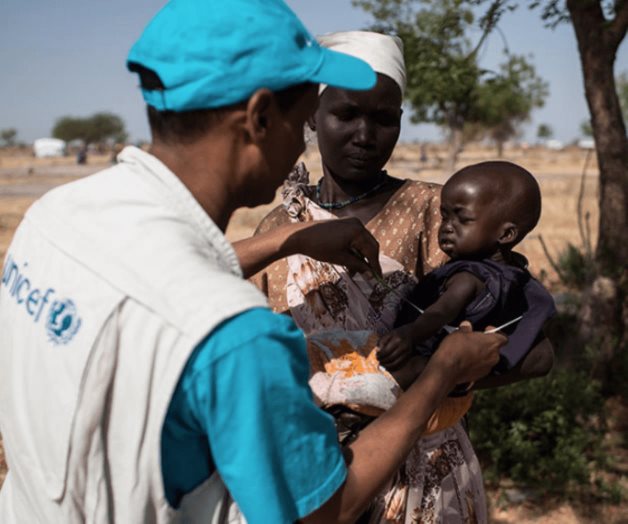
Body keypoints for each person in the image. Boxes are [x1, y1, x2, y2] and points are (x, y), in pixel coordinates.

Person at [0, 2, 505, 523]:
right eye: (305, 115)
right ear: (263, 118)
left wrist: (290, 241)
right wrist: (437, 378)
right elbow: (325, 511)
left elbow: (160, 276)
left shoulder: (55, 218)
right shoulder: (234, 333)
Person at [251, 31, 554, 523]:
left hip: (430, 475)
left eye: (384, 119)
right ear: (311, 115)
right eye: (346, 114)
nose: (366, 135)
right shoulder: (280, 232)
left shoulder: (443, 214)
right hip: (316, 476)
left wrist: (425, 383)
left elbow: (535, 350)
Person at [377, 160, 557, 428]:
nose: (447, 227)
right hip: (461, 391)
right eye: (445, 216)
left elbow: (440, 312)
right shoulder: (513, 274)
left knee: (395, 375)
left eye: (463, 219)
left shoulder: (467, 277)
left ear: (506, 233)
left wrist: (409, 334)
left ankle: (357, 409)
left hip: (432, 368)